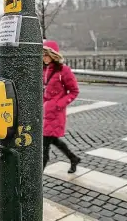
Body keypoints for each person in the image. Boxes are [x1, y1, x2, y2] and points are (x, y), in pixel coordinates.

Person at [42, 40, 81, 173]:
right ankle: (73, 158)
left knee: (44, 145)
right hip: (44, 113)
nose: (44, 57)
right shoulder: (43, 69)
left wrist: (59, 104)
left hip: (55, 113)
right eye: (42, 54)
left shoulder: (63, 70)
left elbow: (74, 91)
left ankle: (35, 179)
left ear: (53, 55)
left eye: (46, 54)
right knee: (53, 140)